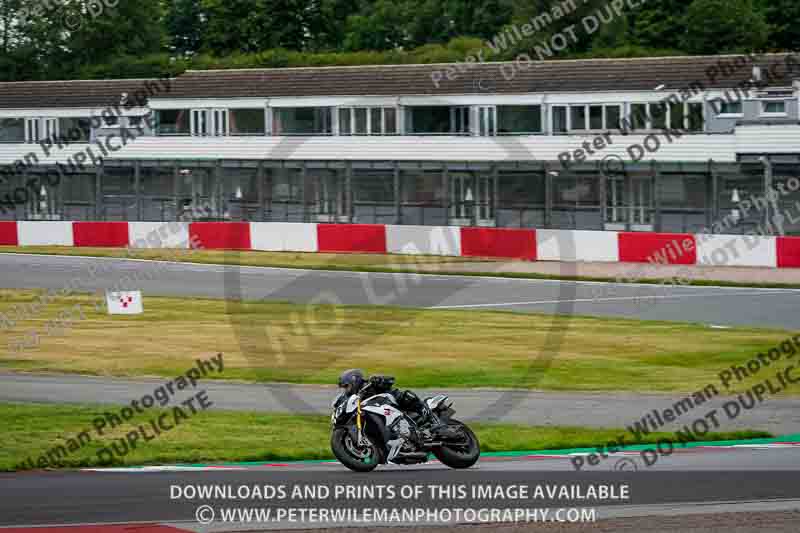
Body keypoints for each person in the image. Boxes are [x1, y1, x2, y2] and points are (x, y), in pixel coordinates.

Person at [337, 369, 433, 426]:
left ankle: (426, 413)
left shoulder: (369, 384)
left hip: (394, 405)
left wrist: (379, 380)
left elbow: (391, 380)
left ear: (354, 381)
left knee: (406, 396)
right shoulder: (352, 398)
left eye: (347, 386)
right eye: (344, 388)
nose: (346, 390)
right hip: (382, 418)